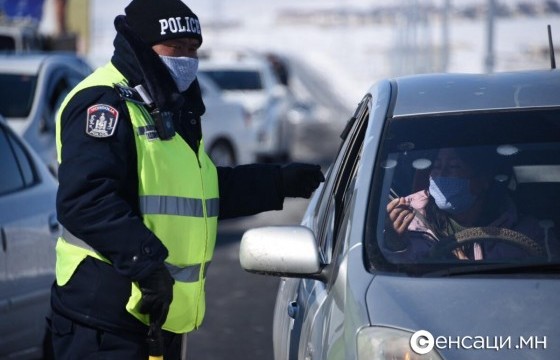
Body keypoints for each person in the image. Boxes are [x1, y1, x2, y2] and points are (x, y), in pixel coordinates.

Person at [48, 0, 325, 358]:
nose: (185, 58)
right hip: (103, 318)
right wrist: (145, 264)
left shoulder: (167, 105)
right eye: (175, 47)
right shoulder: (105, 103)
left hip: (154, 316)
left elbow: (195, 194)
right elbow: (86, 200)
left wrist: (278, 183)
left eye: (193, 49)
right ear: (142, 45)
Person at [385, 147, 558, 261]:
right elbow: (396, 277)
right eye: (436, 166)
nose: (440, 175)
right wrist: (395, 245)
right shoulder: (410, 222)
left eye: (453, 167)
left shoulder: (531, 231)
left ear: (483, 180)